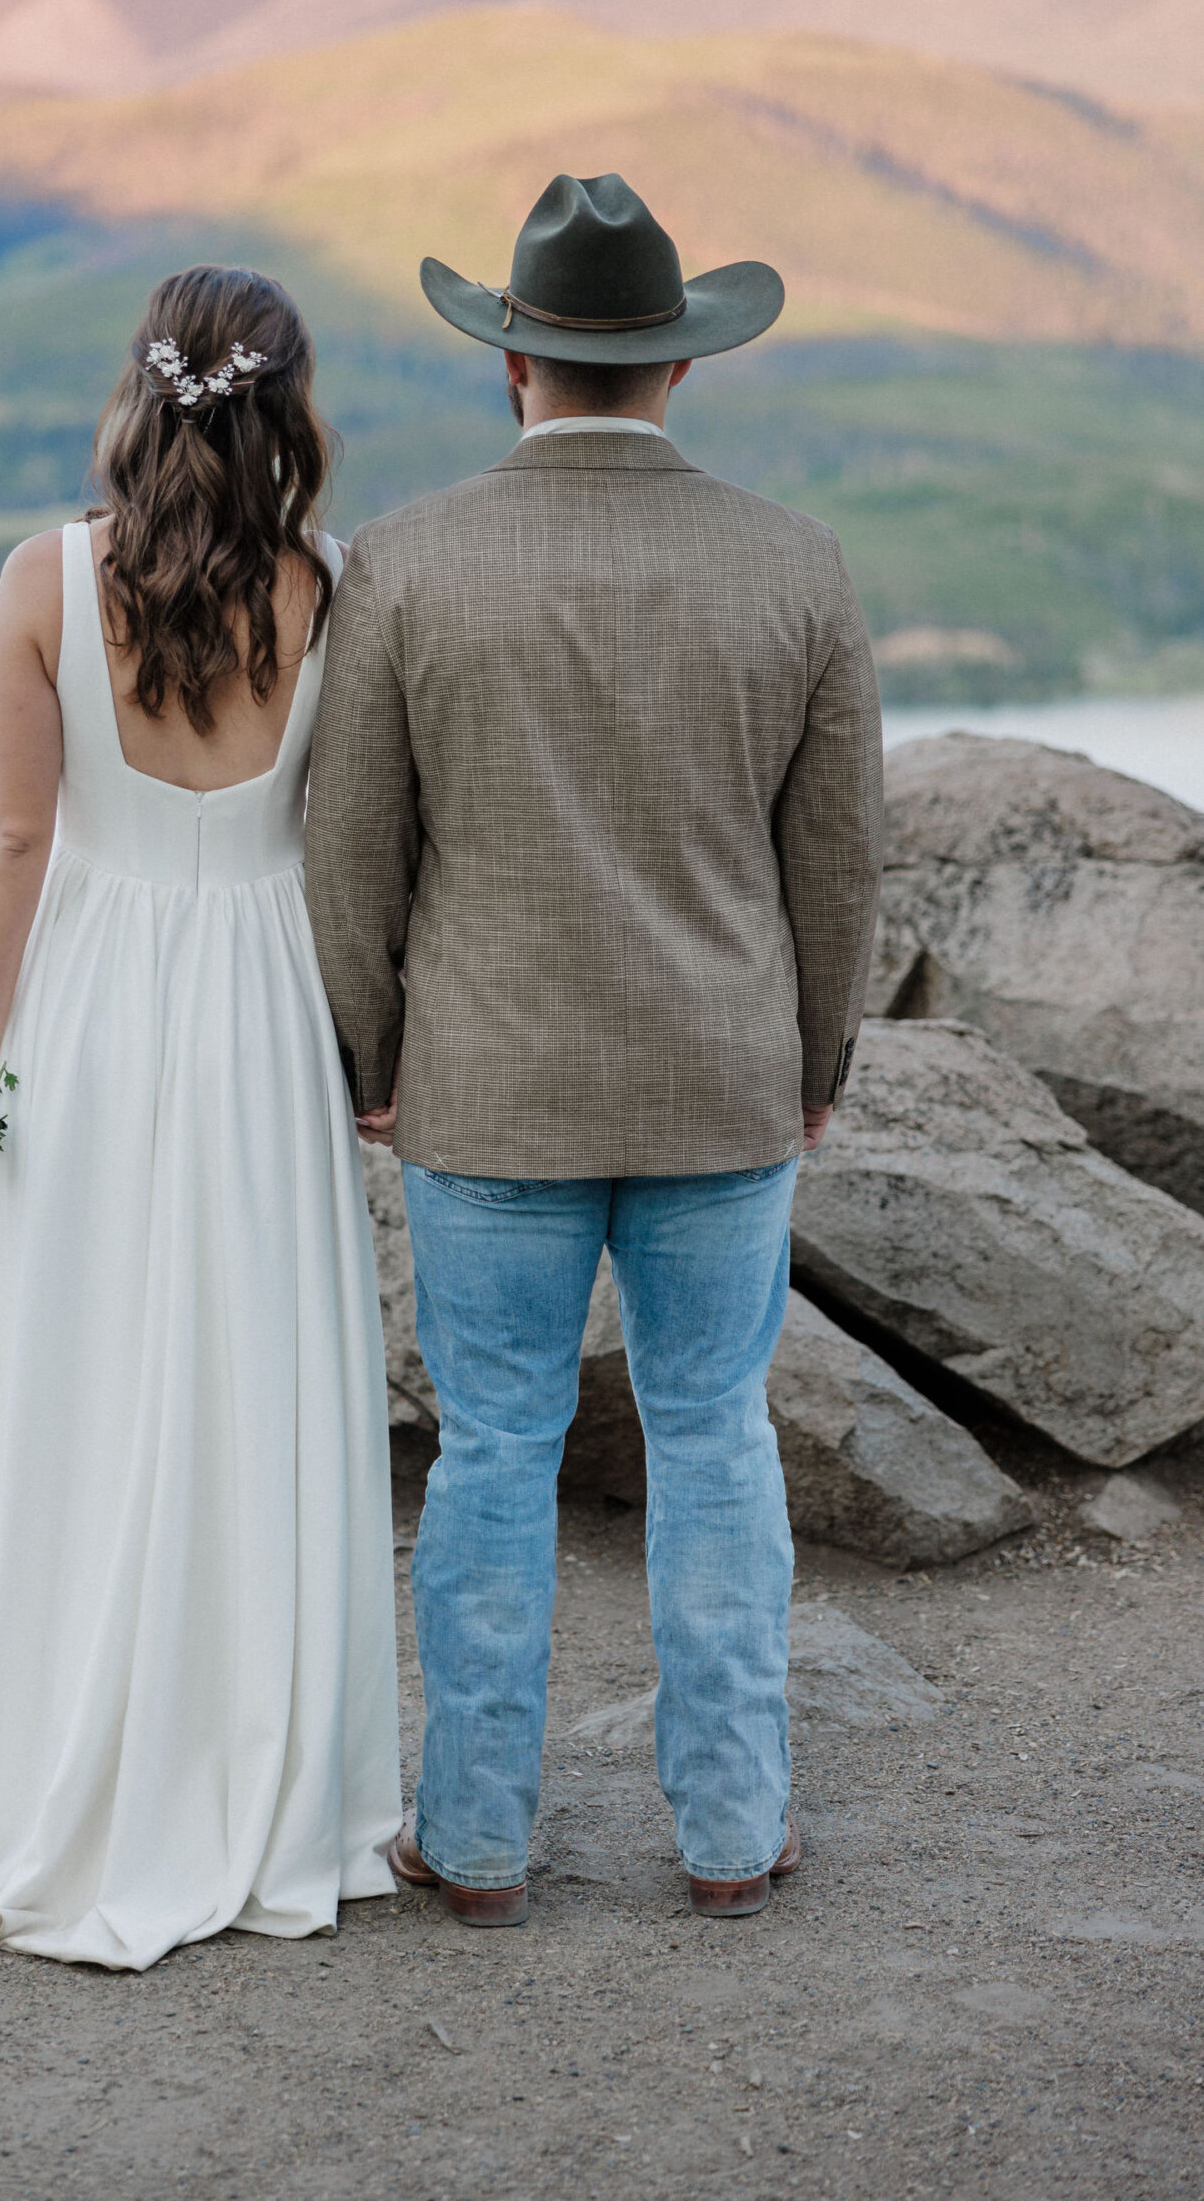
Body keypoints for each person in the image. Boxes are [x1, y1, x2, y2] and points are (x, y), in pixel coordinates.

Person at [305, 174, 883, 1926]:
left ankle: (472, 1841)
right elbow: (840, 861)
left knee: (492, 1452)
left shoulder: (404, 563)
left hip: (485, 1088)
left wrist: (371, 1062)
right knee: (715, 1438)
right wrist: (815, 1060)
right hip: (723, 1083)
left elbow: (352, 857)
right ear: (680, 370)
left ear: (511, 366)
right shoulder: (795, 562)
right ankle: (731, 1830)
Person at [0, 265, 401, 1972]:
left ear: (143, 390)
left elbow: (14, 840)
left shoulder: (46, 577)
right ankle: (265, 1791)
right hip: (268, 1005)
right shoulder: (334, 587)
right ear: (292, 407)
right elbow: (356, 843)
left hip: (99, 1007)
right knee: (261, 1379)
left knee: (83, 1379)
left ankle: (70, 1778)